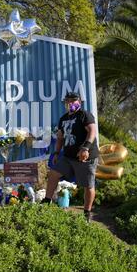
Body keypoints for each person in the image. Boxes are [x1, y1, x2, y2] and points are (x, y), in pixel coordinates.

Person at [42, 92, 99, 223]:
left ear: (79, 101)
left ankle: (86, 214)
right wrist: (56, 153)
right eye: (67, 101)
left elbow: (92, 131)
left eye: (73, 100)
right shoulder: (63, 119)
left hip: (85, 157)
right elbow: (60, 138)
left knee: (88, 185)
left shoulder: (85, 115)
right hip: (68, 156)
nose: (70, 103)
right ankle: (46, 202)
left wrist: (85, 148)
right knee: (53, 174)